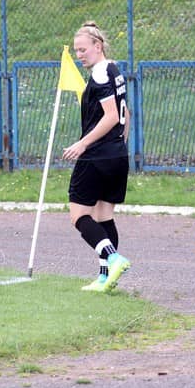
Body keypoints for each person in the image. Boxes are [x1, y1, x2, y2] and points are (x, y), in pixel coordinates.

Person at [61, 21, 131, 293]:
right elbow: (126, 115)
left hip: (97, 156)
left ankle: (114, 259)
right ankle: (105, 278)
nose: (79, 55)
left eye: (83, 49)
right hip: (116, 154)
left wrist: (83, 144)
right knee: (103, 217)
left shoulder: (100, 73)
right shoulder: (114, 70)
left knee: (79, 216)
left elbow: (112, 116)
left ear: (98, 46)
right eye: (76, 51)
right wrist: (120, 145)